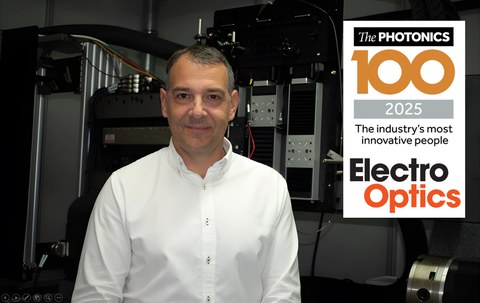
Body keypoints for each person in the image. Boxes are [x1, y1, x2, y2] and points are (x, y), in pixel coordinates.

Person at [71, 44, 301, 302]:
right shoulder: (123, 188)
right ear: (164, 102)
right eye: (183, 96)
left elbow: (282, 294)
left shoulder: (270, 188)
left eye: (213, 97)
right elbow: (96, 295)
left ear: (233, 105)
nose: (198, 111)